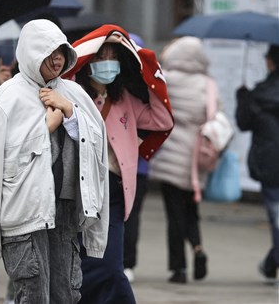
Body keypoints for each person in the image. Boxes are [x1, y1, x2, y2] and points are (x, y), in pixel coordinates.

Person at [0, 19, 109, 304]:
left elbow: (97, 154)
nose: (57, 59)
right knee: (33, 294)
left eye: (61, 52)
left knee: (66, 295)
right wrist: (45, 127)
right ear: (32, 53)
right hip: (24, 216)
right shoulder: (8, 97)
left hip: (66, 212)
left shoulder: (73, 94)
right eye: (49, 52)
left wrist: (71, 113)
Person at [64, 24, 174, 303]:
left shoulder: (125, 99)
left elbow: (162, 120)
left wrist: (149, 77)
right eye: (100, 58)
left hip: (112, 193)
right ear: (88, 63)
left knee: (110, 267)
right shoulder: (74, 95)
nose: (107, 64)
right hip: (77, 191)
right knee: (79, 263)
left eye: (113, 57)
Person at [148, 36, 216, 284]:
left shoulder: (168, 79)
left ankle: (178, 269)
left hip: (171, 154)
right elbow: (215, 113)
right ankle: (198, 248)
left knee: (174, 215)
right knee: (191, 211)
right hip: (197, 158)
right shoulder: (207, 84)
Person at [235, 44, 279, 282]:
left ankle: (272, 264)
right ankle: (271, 265)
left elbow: (243, 122)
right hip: (271, 164)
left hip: (271, 165)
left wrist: (242, 96)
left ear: (271, 62)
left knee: (277, 219)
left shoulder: (260, 94)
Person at [123, 33, 149, 283]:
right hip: (119, 167)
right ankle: (123, 262)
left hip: (137, 167)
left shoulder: (147, 89)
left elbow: (160, 126)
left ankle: (127, 261)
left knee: (130, 216)